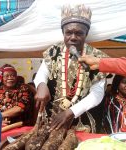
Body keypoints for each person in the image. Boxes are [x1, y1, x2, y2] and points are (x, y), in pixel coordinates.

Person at [34, 4, 108, 132]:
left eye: (79, 33)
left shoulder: (98, 57)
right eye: (69, 32)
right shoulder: (54, 51)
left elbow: (97, 93)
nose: (73, 37)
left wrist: (71, 112)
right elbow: (42, 73)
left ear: (86, 33)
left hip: (82, 120)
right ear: (63, 32)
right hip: (53, 117)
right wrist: (41, 85)